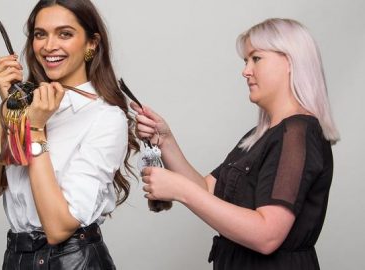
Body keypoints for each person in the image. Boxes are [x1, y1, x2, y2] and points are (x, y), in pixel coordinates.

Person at [132, 18, 339, 270]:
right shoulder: (259, 135)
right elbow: (207, 189)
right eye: (245, 61)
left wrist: (181, 191)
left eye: (256, 58)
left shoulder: (297, 133)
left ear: (290, 62)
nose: (246, 71)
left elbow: (267, 236)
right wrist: (165, 140)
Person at [0, 0, 138, 269]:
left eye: (65, 34)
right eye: (40, 34)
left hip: (72, 262)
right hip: (16, 258)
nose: (48, 46)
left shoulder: (105, 118)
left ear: (91, 44)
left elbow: (58, 228)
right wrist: (9, 107)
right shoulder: (30, 104)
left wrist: (35, 130)